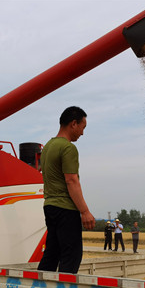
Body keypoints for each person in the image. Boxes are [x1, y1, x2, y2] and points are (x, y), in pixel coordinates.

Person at [37, 106, 95, 274]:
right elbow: (71, 181)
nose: (82, 133)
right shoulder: (68, 148)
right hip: (66, 209)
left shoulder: (47, 147)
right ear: (73, 124)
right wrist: (84, 211)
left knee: (51, 254)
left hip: (50, 207)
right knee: (71, 255)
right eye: (83, 128)